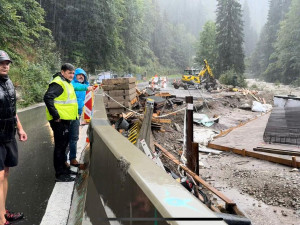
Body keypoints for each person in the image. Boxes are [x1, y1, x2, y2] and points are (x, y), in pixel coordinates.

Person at [0, 50, 27, 225]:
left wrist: (20, 128)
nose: (5, 66)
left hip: (8, 135)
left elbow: (12, 109)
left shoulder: (8, 83)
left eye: (7, 63)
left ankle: (3, 211)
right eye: (1, 63)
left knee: (6, 173)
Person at [43, 63, 78, 182]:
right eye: (69, 73)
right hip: (59, 121)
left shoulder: (66, 82)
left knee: (64, 146)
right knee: (60, 147)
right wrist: (56, 115)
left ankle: (64, 169)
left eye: (73, 73)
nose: (72, 75)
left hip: (65, 120)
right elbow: (47, 97)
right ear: (62, 72)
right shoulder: (58, 83)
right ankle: (60, 174)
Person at [67, 68, 92, 167]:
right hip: (67, 115)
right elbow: (75, 86)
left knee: (74, 137)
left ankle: (72, 159)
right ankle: (64, 161)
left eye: (83, 75)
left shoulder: (84, 85)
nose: (81, 76)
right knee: (65, 139)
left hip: (77, 114)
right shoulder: (71, 84)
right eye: (79, 75)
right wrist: (87, 88)